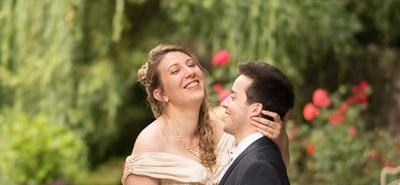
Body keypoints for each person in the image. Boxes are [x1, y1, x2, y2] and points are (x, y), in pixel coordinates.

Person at [122, 44, 289, 185]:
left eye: (191, 64)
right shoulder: (150, 143)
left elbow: (266, 174)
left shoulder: (227, 126)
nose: (189, 72)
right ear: (160, 94)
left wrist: (280, 142)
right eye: (175, 71)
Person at [218, 61, 295, 185]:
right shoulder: (253, 158)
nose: (223, 103)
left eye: (233, 98)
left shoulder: (259, 167)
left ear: (255, 109)